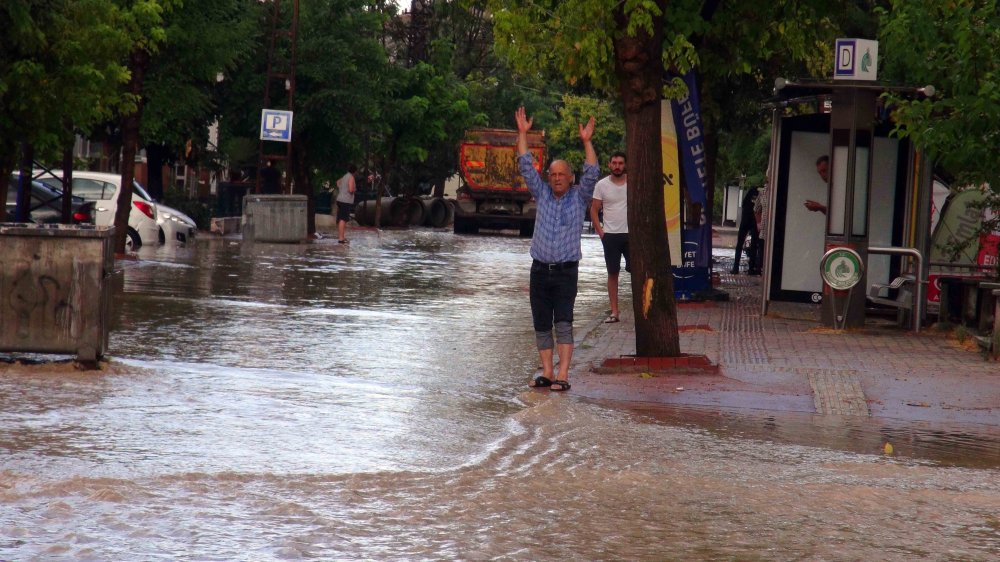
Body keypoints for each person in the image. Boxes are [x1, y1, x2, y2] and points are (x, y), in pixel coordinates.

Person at [516, 106, 598, 392]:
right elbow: (525, 164)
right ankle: (547, 371)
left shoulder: (579, 198)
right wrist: (523, 134)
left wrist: (587, 141)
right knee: (541, 323)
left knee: (563, 321)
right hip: (539, 270)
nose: (557, 178)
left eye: (562, 174)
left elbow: (593, 171)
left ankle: (563, 374)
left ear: (570, 178)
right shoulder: (542, 195)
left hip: (565, 272)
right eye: (553, 174)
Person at [589, 151, 630, 322]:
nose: (617, 166)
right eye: (614, 163)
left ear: (625, 165)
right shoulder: (601, 185)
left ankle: (643, 308)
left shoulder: (632, 182)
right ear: (609, 165)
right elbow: (593, 209)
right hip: (610, 236)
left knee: (637, 271)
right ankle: (614, 311)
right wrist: (601, 233)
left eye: (620, 163)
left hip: (631, 235)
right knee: (612, 273)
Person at [731, 185, 760, 275]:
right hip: (754, 221)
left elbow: (744, 205)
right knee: (754, 245)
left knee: (739, 244)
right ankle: (751, 268)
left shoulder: (749, 194)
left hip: (745, 220)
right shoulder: (759, 193)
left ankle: (735, 268)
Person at [335, 165, 357, 244]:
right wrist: (354, 189)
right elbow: (351, 189)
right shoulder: (351, 177)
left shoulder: (345, 176)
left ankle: (342, 237)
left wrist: (341, 189)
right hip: (345, 201)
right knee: (343, 219)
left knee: (342, 219)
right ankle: (341, 238)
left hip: (340, 199)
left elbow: (337, 182)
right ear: (355, 172)